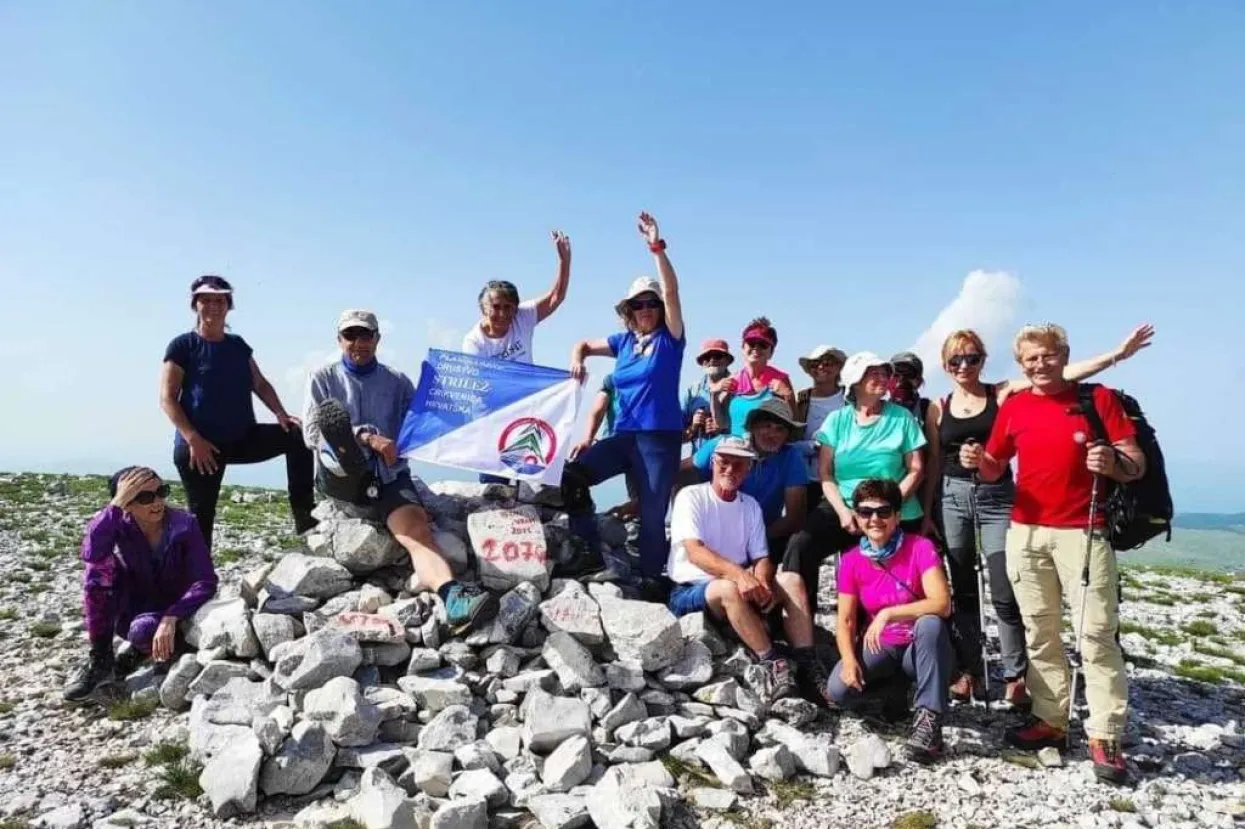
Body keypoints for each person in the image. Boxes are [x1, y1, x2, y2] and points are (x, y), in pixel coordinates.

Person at [921, 324, 1155, 707]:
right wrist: (930, 510)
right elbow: (933, 461)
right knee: (962, 585)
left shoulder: (1003, 393)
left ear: (982, 360)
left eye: (972, 357)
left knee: (1003, 587)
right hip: (951, 497)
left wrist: (1116, 356)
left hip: (998, 496)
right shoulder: (938, 406)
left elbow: (1058, 374)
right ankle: (970, 673)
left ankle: (1015, 675)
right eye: (955, 359)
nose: (964, 365)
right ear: (946, 365)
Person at [960, 323, 1146, 784]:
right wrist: (977, 460)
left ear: (1063, 355)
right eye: (1030, 360)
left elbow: (1134, 463)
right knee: (1040, 630)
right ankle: (1051, 721)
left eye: (1046, 356)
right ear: (1021, 365)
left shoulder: (1098, 400)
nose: (1039, 365)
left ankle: (1105, 734)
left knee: (1095, 635)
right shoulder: (1016, 406)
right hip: (1026, 530)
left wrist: (1115, 465)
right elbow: (995, 467)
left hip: (1084, 532)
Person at [303, 310, 498, 633]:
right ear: (339, 341)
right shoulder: (322, 379)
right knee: (333, 429)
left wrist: (444, 394)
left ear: (377, 339)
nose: (359, 343)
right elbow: (311, 434)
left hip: (389, 475)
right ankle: (351, 443)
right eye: (351, 336)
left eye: (366, 335)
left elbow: (422, 425)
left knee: (417, 533)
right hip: (341, 476)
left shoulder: (397, 382)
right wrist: (366, 436)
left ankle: (453, 597)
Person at [561, 212, 685, 586]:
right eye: (638, 305)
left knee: (651, 513)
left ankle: (652, 581)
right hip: (623, 436)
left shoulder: (670, 339)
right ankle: (589, 551)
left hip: (659, 439)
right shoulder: (624, 343)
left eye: (651, 303)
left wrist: (656, 247)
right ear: (628, 311)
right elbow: (582, 343)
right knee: (573, 475)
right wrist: (576, 360)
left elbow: (673, 292)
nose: (646, 309)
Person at [160, 275, 316, 551]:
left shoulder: (237, 346)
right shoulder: (183, 346)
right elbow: (167, 398)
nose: (213, 306)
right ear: (195, 305)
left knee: (297, 436)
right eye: (205, 300)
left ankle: (306, 520)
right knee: (202, 514)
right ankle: (198, 581)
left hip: (242, 437)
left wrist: (281, 413)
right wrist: (193, 439)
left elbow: (259, 383)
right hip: (201, 446)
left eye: (219, 300)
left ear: (228, 305)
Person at [667, 437, 828, 702]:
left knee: (790, 579)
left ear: (748, 469)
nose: (730, 470)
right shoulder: (691, 497)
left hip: (737, 585)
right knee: (728, 587)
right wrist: (741, 575)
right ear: (713, 463)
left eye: (738, 465)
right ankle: (772, 662)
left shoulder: (750, 506)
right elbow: (695, 553)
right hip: (692, 589)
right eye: (724, 463)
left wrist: (762, 581)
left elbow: (761, 557)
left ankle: (807, 662)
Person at [781, 352, 927, 609]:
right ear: (855, 381)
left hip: (893, 508)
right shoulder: (837, 421)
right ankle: (800, 626)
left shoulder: (902, 418)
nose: (882, 378)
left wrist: (887, 508)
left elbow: (916, 469)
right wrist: (843, 512)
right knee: (800, 545)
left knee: (883, 576)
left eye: (885, 372)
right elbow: (826, 473)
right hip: (845, 504)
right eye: (873, 373)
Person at [63, 467, 218, 704]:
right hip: (136, 603)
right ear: (127, 504)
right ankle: (101, 659)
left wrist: (172, 616)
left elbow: (205, 580)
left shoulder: (184, 525)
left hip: (173, 615)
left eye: (161, 492)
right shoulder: (120, 523)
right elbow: (92, 552)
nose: (157, 502)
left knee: (142, 631)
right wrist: (115, 505)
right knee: (99, 568)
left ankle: (138, 653)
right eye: (144, 497)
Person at [826, 478, 953, 762]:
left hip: (919, 645)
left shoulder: (920, 547)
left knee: (930, 623)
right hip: (882, 644)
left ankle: (929, 720)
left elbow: (942, 604)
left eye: (883, 512)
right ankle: (892, 692)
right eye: (865, 512)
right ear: (857, 516)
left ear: (897, 516)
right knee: (838, 691)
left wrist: (889, 613)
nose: (874, 519)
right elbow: (845, 619)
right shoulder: (852, 560)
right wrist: (848, 660)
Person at [690, 398, 807, 559]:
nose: (772, 434)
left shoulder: (791, 457)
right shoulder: (723, 445)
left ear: (787, 435)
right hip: (714, 536)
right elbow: (682, 472)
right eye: (767, 426)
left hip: (766, 535)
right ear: (753, 426)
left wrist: (754, 541)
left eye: (779, 429)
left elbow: (794, 517)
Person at [461, 230, 572, 363]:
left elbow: (555, 297)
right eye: (496, 307)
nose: (502, 314)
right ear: (483, 308)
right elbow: (479, 379)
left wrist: (564, 261)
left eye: (507, 307)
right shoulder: (473, 342)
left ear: (515, 309)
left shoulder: (522, 317)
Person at [718, 317, 796, 437]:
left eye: (763, 345)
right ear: (743, 347)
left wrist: (788, 397)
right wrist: (716, 396)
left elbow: (795, 422)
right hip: (735, 449)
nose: (756, 348)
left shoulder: (781, 380)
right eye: (751, 343)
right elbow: (719, 423)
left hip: (769, 450)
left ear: (771, 352)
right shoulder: (731, 381)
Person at [793, 345, 848, 507]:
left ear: (839, 368)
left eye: (828, 363)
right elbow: (790, 444)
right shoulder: (802, 400)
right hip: (806, 481)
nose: (821, 367)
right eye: (815, 364)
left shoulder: (850, 400)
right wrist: (814, 447)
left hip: (841, 481)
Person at [682, 338, 733, 451]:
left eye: (717, 356)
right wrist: (694, 426)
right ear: (702, 363)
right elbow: (678, 438)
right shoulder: (692, 392)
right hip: (698, 463)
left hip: (730, 462)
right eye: (707, 357)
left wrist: (723, 427)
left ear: (727, 361)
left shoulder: (739, 388)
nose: (712, 360)